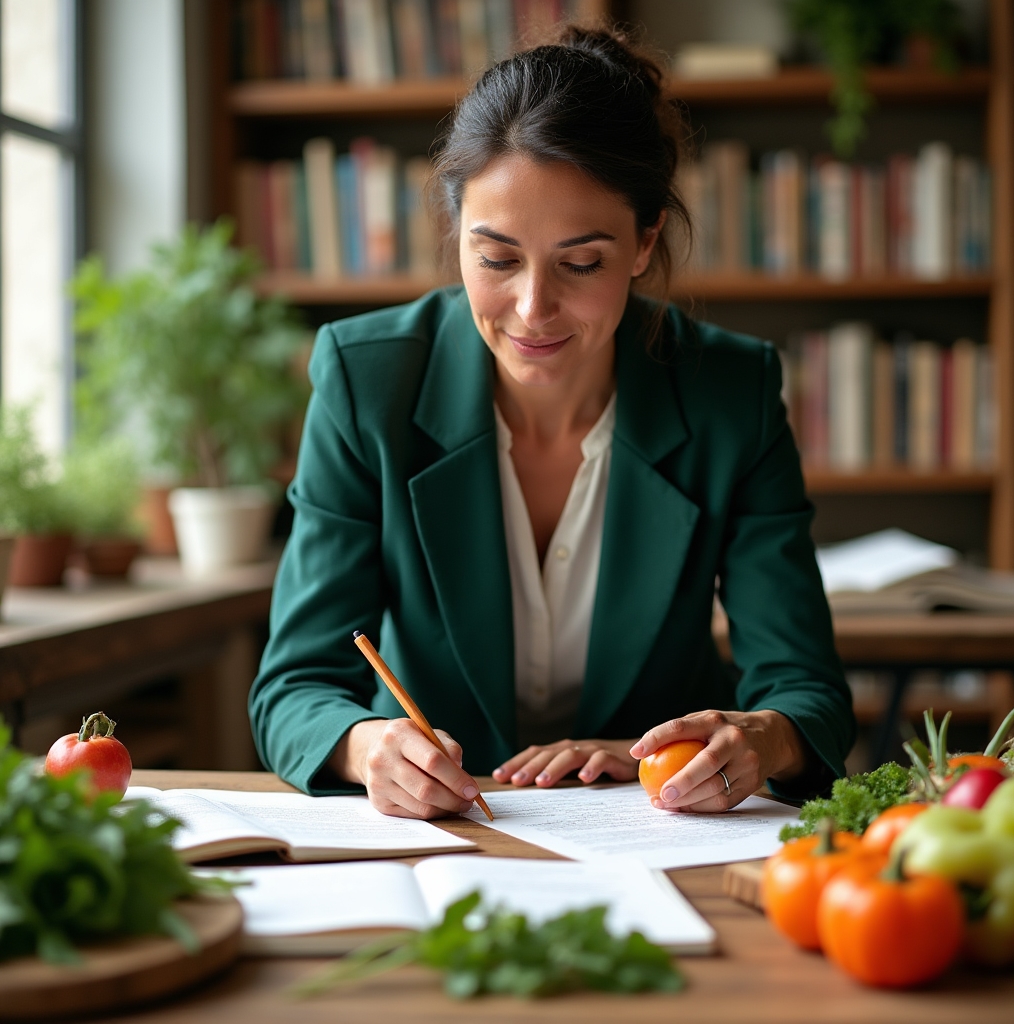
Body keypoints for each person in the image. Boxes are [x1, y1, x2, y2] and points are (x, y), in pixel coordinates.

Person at [249, 26, 855, 819]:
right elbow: (295, 685)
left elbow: (805, 689)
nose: (533, 309)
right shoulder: (368, 379)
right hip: (449, 836)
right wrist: (370, 747)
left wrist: (751, 741)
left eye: (581, 263)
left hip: (662, 825)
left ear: (643, 244)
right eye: (497, 259)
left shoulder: (731, 391)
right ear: (457, 233)